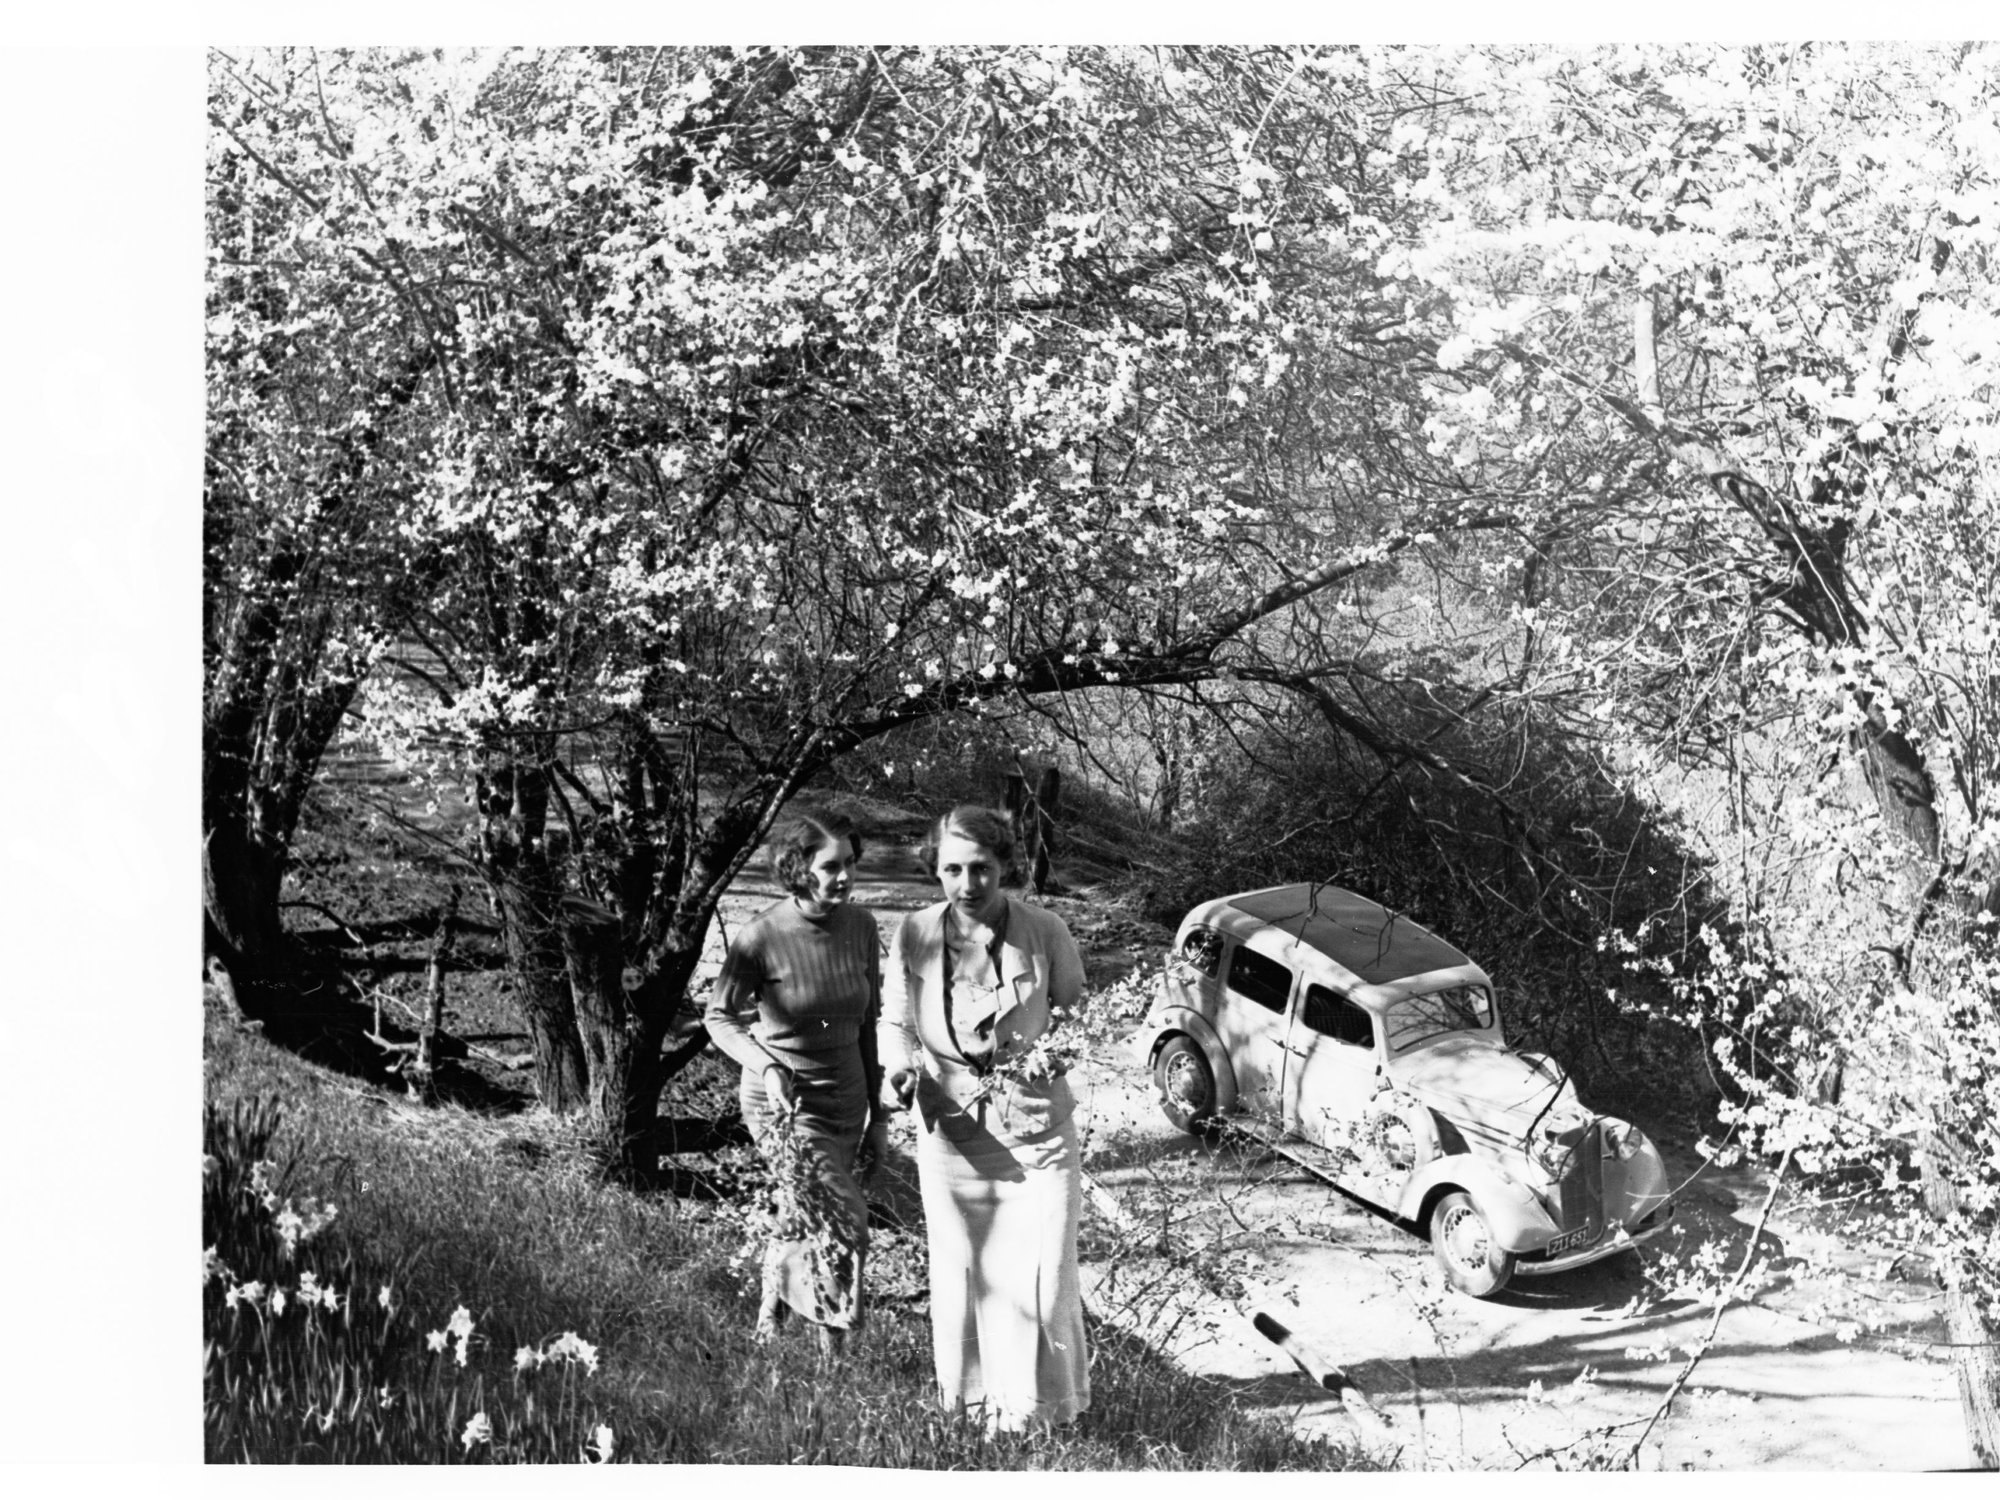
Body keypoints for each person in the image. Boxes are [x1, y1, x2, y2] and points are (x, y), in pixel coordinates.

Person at [879, 804, 1090, 1432]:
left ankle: (1045, 1415)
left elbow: (1080, 1019)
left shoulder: (1045, 930)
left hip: (1036, 1134)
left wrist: (1044, 1062)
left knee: (1045, 1279)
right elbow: (893, 1021)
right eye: (952, 869)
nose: (967, 885)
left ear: (1006, 868)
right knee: (964, 1277)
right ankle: (975, 1415)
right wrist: (898, 1070)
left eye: (981, 869)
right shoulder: (914, 932)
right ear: (935, 870)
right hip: (950, 1139)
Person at [705, 811, 884, 1348]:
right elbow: (720, 1017)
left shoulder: (861, 926)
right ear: (798, 867)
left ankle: (768, 1317)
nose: (846, 877)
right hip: (784, 1103)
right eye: (832, 866)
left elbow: (865, 1022)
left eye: (851, 864)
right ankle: (833, 1341)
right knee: (843, 1216)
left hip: (847, 1101)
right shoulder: (761, 936)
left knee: (801, 1209)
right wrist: (767, 1064)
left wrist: (879, 1115)